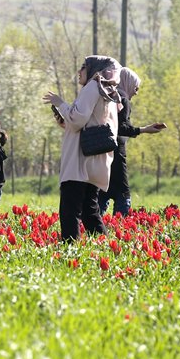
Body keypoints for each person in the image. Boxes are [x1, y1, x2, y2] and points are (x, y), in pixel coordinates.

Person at [44, 55, 121, 242]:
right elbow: (92, 123)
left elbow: (78, 119)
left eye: (83, 67)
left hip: (80, 161)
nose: (79, 72)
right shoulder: (108, 91)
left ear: (94, 70)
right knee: (89, 210)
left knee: (70, 209)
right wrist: (66, 123)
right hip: (96, 161)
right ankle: (105, 247)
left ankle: (70, 248)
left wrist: (60, 103)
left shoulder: (93, 86)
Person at [98, 67, 165, 216]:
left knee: (102, 193)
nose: (136, 92)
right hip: (116, 154)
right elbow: (122, 128)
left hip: (101, 154)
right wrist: (145, 129)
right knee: (123, 194)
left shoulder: (107, 96)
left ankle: (94, 230)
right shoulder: (122, 98)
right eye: (136, 87)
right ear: (127, 82)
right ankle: (119, 227)